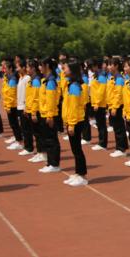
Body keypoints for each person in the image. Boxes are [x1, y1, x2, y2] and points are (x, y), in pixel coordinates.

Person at [61, 59, 89, 187]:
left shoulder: (74, 86)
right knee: (75, 149)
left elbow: (74, 107)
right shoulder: (71, 84)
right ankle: (78, 173)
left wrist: (71, 124)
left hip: (76, 121)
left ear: (72, 70)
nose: (63, 69)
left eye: (66, 68)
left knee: (77, 149)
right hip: (72, 120)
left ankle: (82, 175)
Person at [37, 58, 62, 174]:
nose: (39, 68)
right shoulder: (45, 80)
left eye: (41, 65)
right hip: (44, 113)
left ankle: (54, 164)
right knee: (47, 140)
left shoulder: (51, 81)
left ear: (47, 66)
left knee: (52, 140)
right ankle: (50, 162)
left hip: (49, 114)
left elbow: (51, 100)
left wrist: (50, 116)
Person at [107, 58, 128, 158]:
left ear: (116, 66)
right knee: (117, 128)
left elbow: (118, 94)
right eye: (108, 64)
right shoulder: (112, 78)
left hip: (117, 106)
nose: (108, 67)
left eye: (110, 65)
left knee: (119, 128)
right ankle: (121, 147)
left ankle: (121, 149)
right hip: (112, 105)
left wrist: (115, 107)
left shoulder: (119, 78)